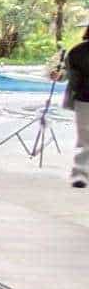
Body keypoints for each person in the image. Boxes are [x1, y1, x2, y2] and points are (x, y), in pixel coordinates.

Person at [65, 21, 89, 188]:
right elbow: (71, 76)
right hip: (85, 98)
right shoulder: (78, 51)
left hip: (84, 98)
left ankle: (80, 174)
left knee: (85, 139)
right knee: (85, 139)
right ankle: (80, 174)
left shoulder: (77, 51)